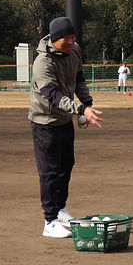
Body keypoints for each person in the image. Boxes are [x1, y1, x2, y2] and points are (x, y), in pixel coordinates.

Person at [29, 17, 104, 239]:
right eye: (66, 39)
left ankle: (60, 209)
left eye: (73, 37)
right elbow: (53, 96)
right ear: (54, 39)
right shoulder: (43, 62)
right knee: (50, 171)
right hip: (45, 122)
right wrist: (80, 111)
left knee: (66, 165)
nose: (71, 42)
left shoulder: (75, 50)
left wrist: (87, 103)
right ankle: (49, 220)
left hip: (64, 120)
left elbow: (79, 78)